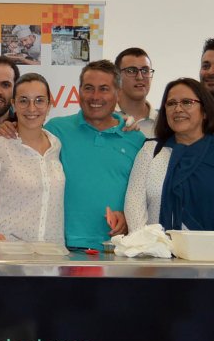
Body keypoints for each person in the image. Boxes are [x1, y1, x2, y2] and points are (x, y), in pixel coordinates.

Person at [124, 78, 214, 231]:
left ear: (205, 111)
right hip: (158, 252)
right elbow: (134, 204)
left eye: (187, 102)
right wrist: (145, 248)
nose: (178, 109)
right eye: (171, 103)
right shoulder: (151, 151)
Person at [45, 60, 145, 250]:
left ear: (118, 94)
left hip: (116, 249)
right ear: (79, 91)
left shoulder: (136, 139)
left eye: (104, 89)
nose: (95, 96)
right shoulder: (55, 129)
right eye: (88, 88)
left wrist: (127, 216)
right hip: (59, 248)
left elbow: (144, 196)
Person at [0, 73, 65, 248]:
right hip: (10, 253)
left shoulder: (56, 144)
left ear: (49, 105)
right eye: (23, 100)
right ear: (13, 104)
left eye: (39, 100)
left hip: (53, 254)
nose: (31, 108)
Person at [114, 47, 157, 137]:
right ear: (117, 77)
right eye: (131, 71)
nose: (140, 77)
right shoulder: (105, 118)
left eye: (145, 70)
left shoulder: (164, 123)